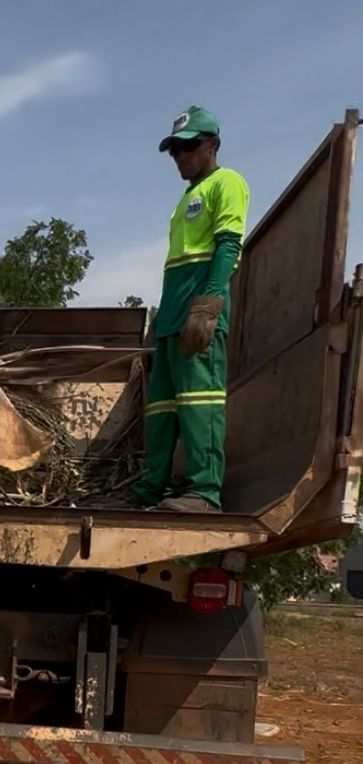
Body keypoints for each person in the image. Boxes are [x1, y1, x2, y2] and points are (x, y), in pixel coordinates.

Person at [132, 106, 249, 513]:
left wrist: (209, 302)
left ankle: (204, 492)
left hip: (198, 313)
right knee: (162, 409)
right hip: (171, 318)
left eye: (189, 147)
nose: (181, 156)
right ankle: (149, 490)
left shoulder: (226, 182)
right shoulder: (185, 199)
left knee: (201, 401)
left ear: (212, 144)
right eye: (174, 151)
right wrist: (162, 322)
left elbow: (229, 244)